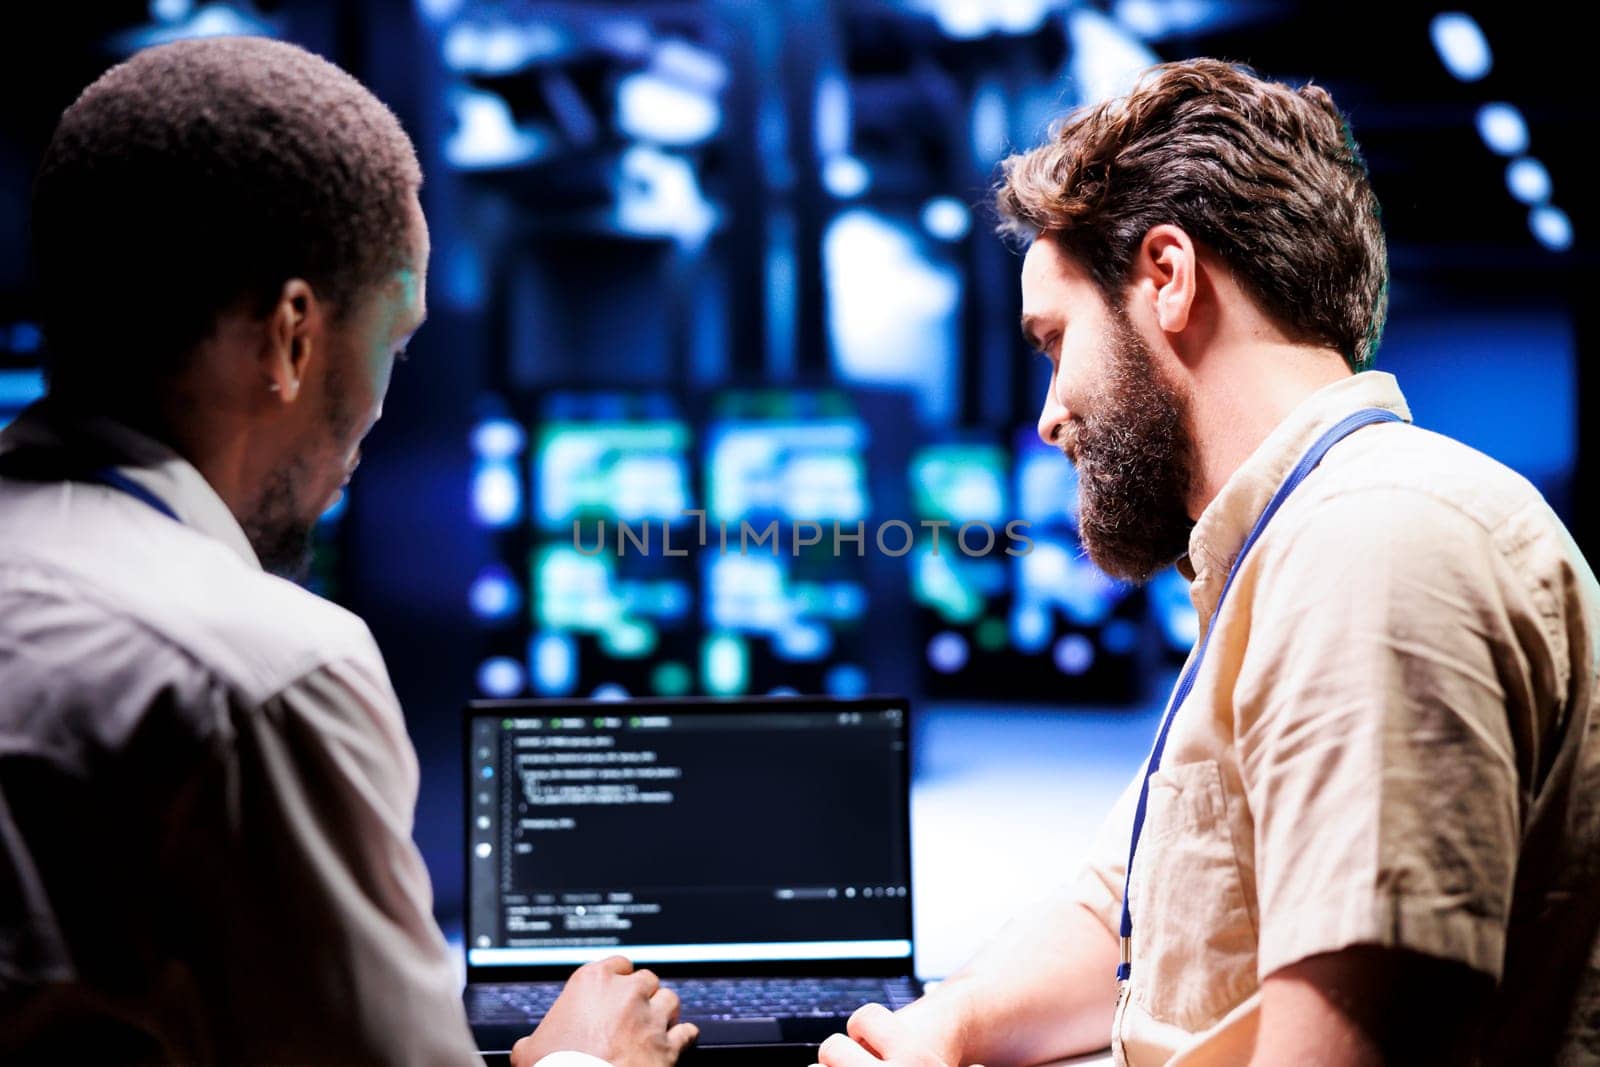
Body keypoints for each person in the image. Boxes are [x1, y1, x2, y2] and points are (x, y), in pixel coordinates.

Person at [818, 58, 1600, 1067]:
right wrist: (942, 1028)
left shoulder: (1371, 547)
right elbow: (1122, 916)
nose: (1050, 415)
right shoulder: (1287, 541)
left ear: (1167, 277)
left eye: (1055, 343)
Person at [0, 36, 695, 1067]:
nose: (374, 416)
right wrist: (586, 1058)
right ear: (290, 334)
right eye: (392, 340)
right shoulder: (264, 675)